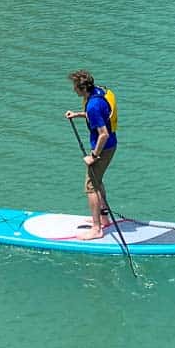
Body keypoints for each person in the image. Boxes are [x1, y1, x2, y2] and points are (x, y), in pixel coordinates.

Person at [64, 69, 117, 239]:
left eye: (75, 87)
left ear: (82, 88)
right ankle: (103, 218)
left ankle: (97, 229)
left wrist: (93, 156)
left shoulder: (93, 105)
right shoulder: (98, 91)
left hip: (103, 148)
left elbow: (103, 134)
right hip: (109, 146)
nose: (74, 90)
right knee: (97, 180)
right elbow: (100, 114)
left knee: (91, 186)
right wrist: (78, 114)